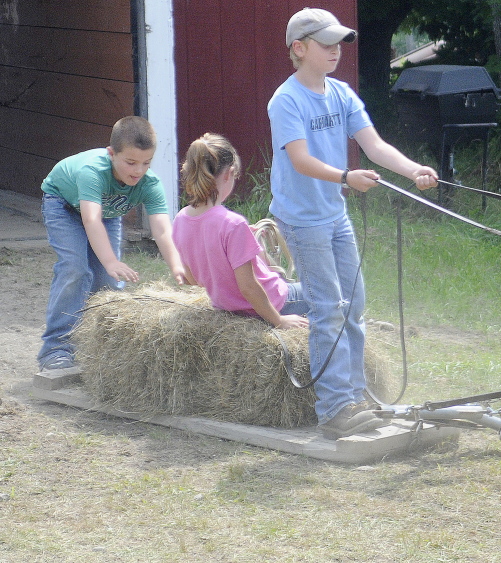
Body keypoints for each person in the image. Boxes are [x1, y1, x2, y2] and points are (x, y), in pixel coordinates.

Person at [268, 7, 438, 440]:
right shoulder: (285, 100)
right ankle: (334, 409)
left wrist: (413, 168)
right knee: (329, 310)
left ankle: (356, 396)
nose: (336, 51)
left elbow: (374, 145)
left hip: (334, 214)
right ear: (299, 48)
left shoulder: (342, 93)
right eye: (326, 44)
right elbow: (301, 160)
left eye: (339, 43)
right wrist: (346, 177)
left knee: (354, 306)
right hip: (302, 220)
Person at [38, 116, 186, 375]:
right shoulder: (93, 171)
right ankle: (56, 348)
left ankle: (100, 346)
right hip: (63, 204)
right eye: (130, 162)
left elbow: (162, 229)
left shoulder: (150, 184)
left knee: (107, 282)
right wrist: (110, 260)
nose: (138, 170)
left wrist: (177, 267)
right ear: (111, 154)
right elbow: (90, 218)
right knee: (75, 268)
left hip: (105, 213)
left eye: (146, 163)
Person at [172, 133, 310, 330]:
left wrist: (246, 241)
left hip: (228, 310)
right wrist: (279, 321)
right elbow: (248, 287)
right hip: (273, 303)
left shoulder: (180, 220)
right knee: (331, 291)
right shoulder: (232, 224)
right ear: (228, 173)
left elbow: (194, 280)